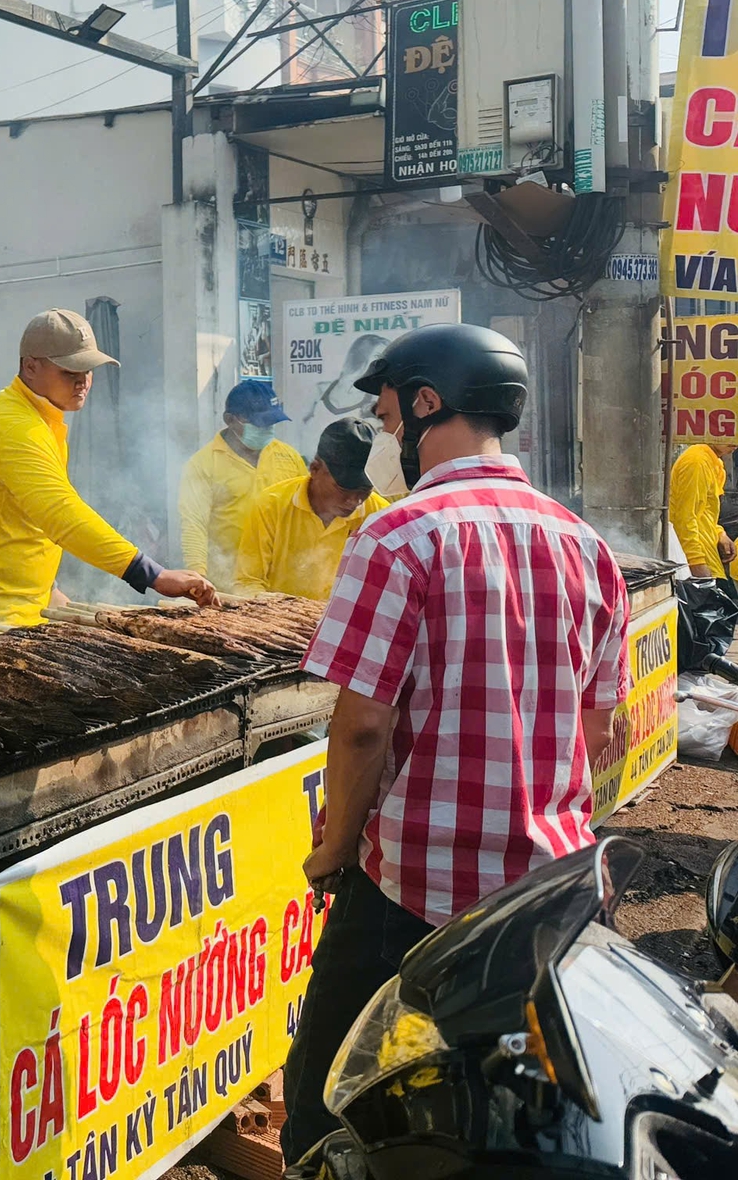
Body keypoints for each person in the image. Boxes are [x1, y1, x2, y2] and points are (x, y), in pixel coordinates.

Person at [280, 323, 628, 1166]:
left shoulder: (397, 537)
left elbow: (364, 725)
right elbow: (604, 733)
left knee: (326, 1095)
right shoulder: (586, 546)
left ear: (431, 402)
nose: (392, 438)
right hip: (545, 894)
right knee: (519, 1106)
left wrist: (332, 851)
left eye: (395, 419)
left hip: (412, 891)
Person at [0, 309, 217, 628]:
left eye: (89, 370)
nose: (83, 381)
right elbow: (60, 513)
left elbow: (23, 518)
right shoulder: (16, 428)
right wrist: (153, 575)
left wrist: (48, 589)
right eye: (70, 371)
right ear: (30, 366)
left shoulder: (39, 419)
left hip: (16, 606)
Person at [231, 418, 390, 601]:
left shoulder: (379, 516)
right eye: (344, 489)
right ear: (315, 469)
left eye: (364, 490)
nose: (355, 501)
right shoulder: (272, 505)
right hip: (277, 622)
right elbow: (247, 581)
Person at [176, 380, 307, 592]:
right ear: (230, 420)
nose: (267, 429)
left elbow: (305, 515)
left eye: (271, 423)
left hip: (281, 586)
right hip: (228, 585)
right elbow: (194, 525)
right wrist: (198, 577)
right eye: (259, 423)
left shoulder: (289, 457)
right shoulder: (203, 464)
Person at [670, 441, 735, 578]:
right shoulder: (697, 461)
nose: (733, 442)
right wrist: (696, 562)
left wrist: (720, 534)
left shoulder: (714, 462)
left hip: (709, 556)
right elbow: (684, 517)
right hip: (697, 560)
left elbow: (704, 512)